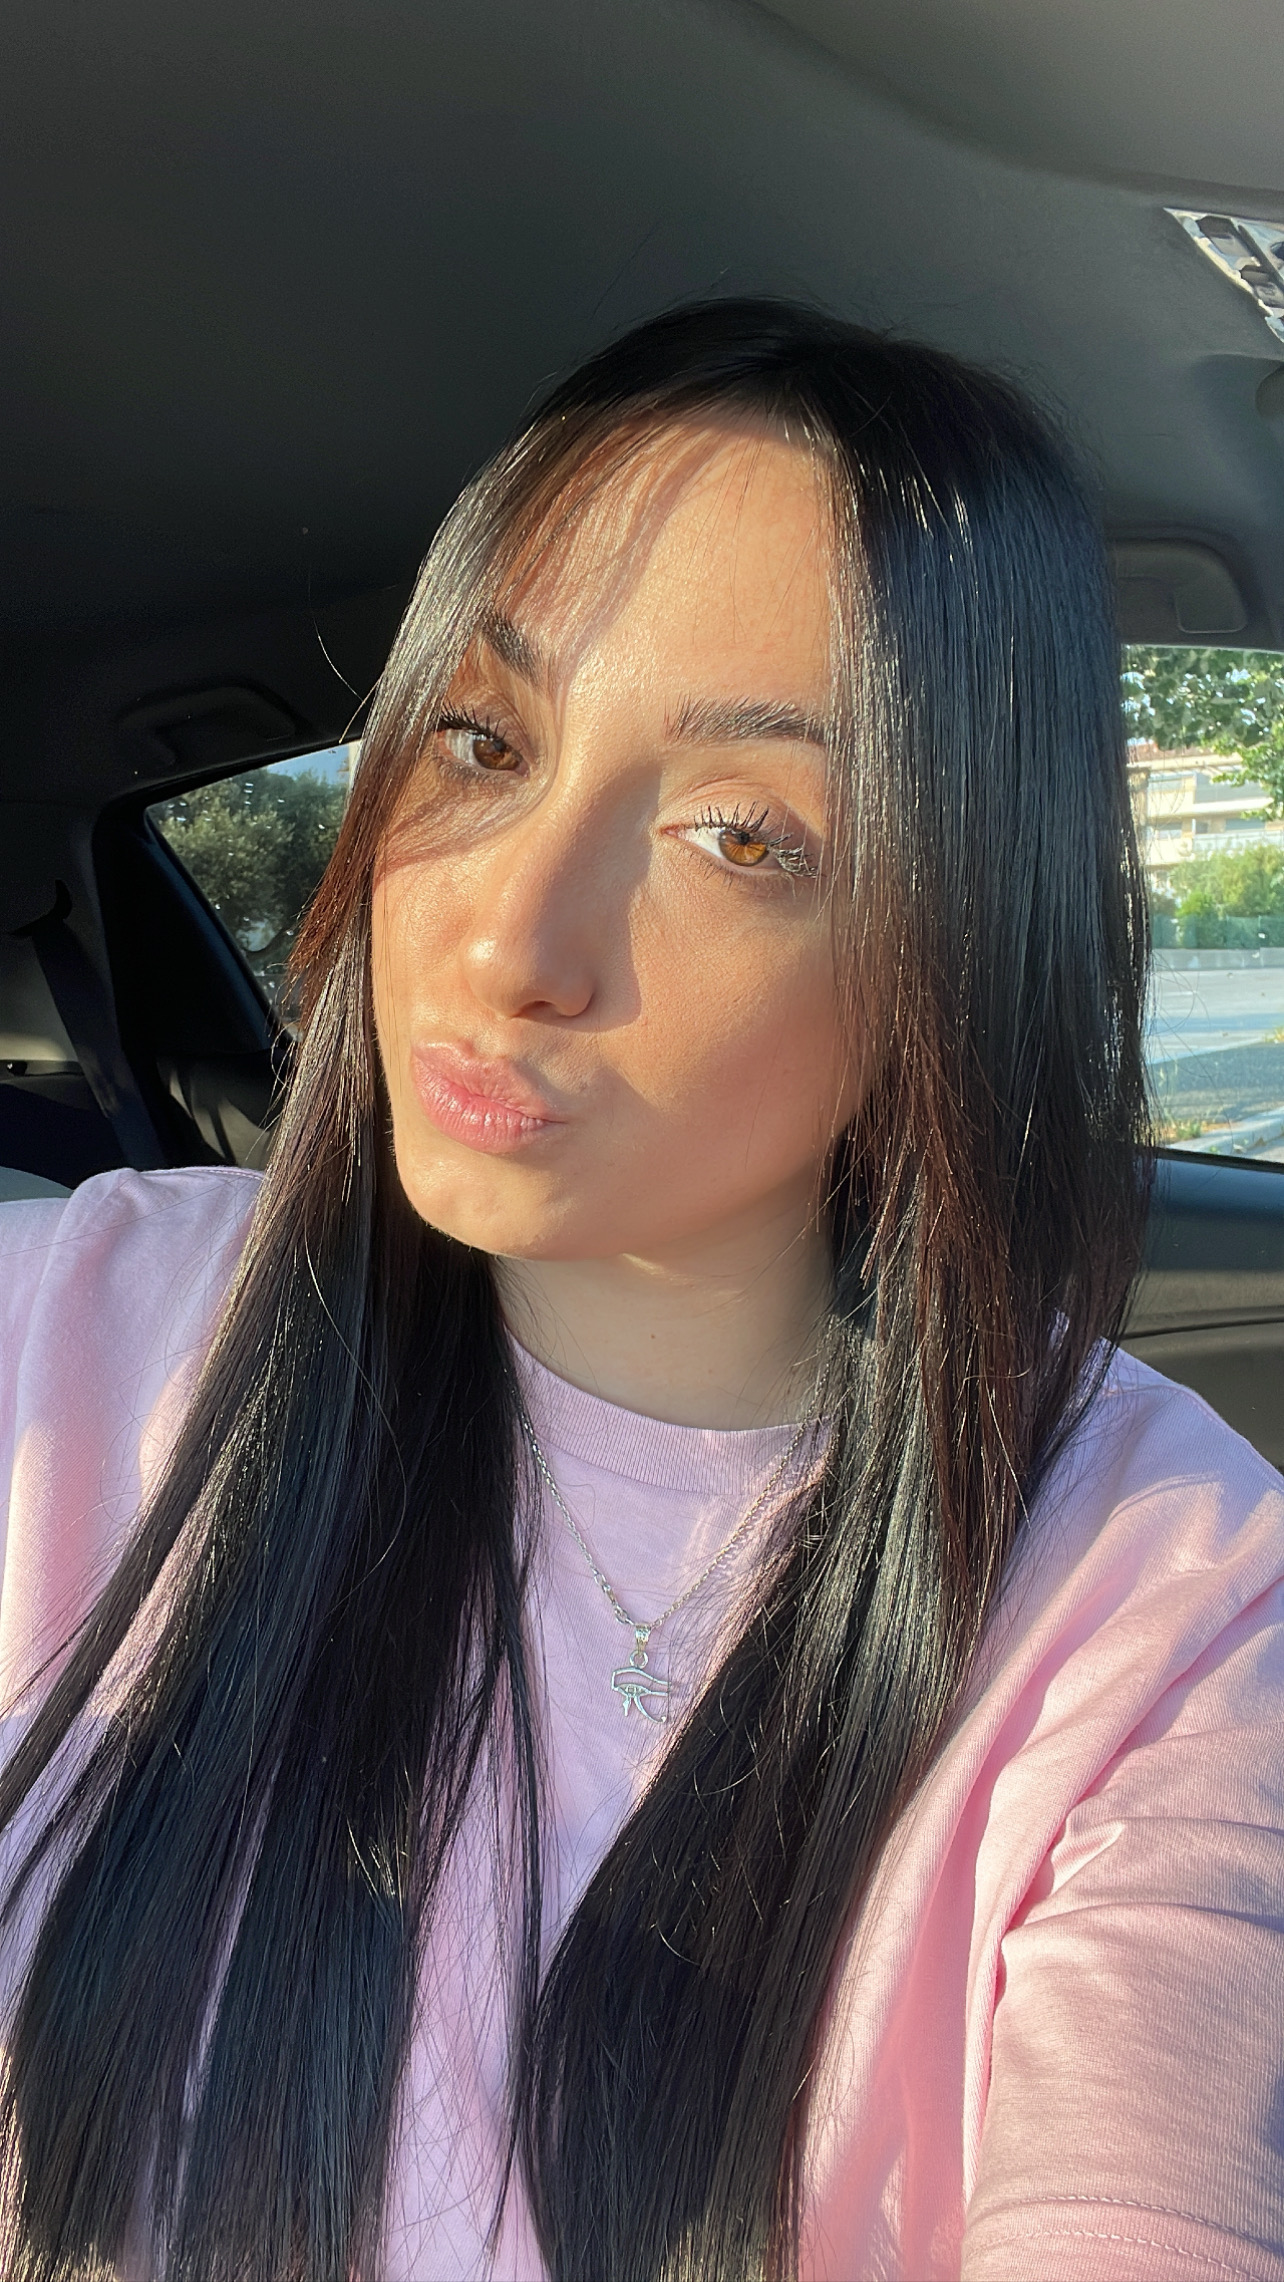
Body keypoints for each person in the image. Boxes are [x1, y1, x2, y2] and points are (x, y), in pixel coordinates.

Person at [0, 299, 1280, 2282]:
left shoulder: (1165, 1605)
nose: (511, 935)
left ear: (950, 936)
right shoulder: (80, 1327)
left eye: (739, 834)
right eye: (484, 741)